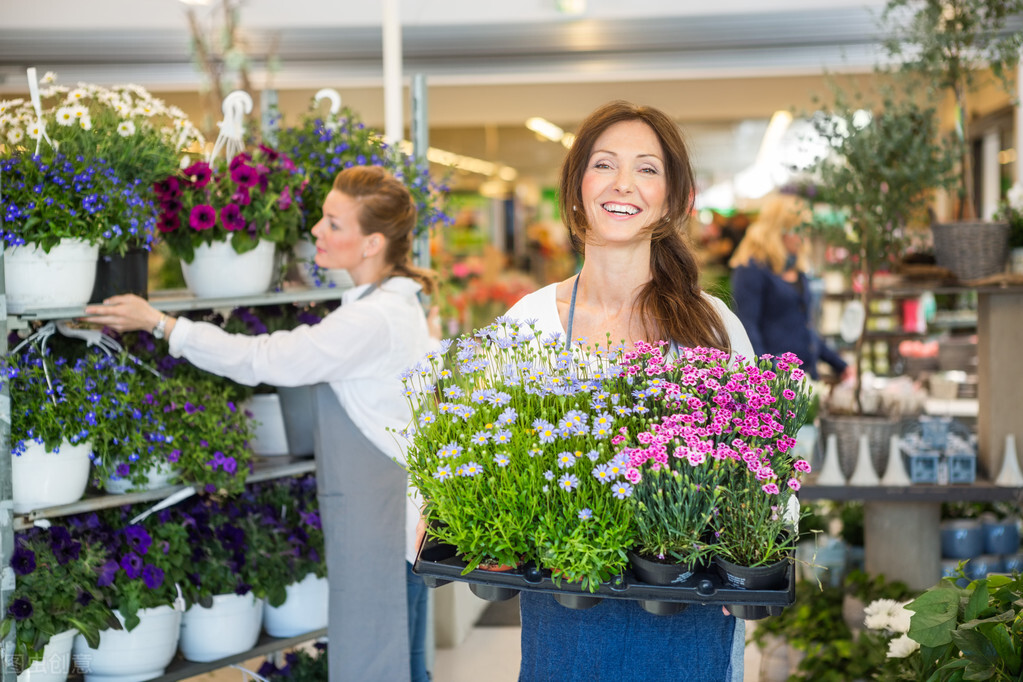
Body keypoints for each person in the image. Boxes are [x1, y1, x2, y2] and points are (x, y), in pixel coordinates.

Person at [85, 165, 438, 682]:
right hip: (391, 513)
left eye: (334, 224)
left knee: (375, 664)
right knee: (400, 661)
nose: (316, 230)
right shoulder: (392, 304)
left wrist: (161, 324)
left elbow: (268, 359)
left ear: (372, 244)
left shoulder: (371, 318)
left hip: (380, 520)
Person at [504, 100, 755, 682]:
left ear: (671, 199)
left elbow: (764, 460)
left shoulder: (713, 325)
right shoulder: (530, 322)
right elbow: (464, 448)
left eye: (647, 169)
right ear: (577, 187)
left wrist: (756, 554)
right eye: (604, 165)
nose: (623, 184)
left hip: (686, 613)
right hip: (566, 611)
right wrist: (432, 509)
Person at [729, 193, 850, 381]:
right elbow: (747, 331)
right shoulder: (751, 269)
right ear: (781, 229)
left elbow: (805, 329)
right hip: (778, 385)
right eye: (800, 228)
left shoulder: (797, 269)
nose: (805, 236)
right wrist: (767, 380)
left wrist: (841, 366)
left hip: (806, 380)